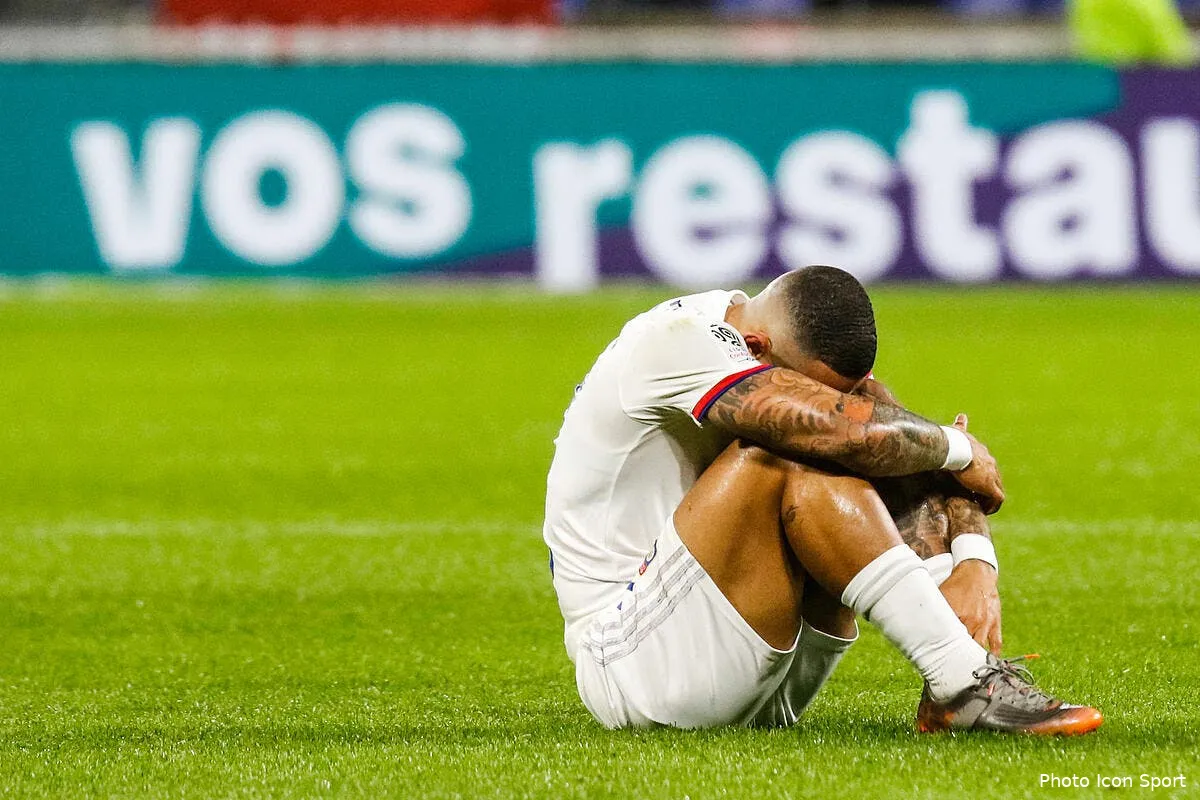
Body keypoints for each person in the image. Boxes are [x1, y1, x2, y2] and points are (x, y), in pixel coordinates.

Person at [542, 265, 1102, 734]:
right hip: (633, 666)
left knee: (866, 436)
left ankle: (961, 677)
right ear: (756, 347)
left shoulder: (779, 347)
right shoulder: (672, 343)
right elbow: (842, 432)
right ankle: (961, 683)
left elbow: (894, 434)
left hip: (761, 670)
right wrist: (960, 447)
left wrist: (974, 562)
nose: (842, 400)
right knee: (791, 449)